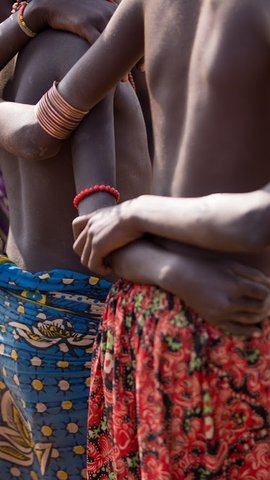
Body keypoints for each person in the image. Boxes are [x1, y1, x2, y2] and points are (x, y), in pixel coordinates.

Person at [2, 0, 270, 478]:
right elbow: (49, 149)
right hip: (202, 320)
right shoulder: (76, 42)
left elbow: (45, 140)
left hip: (124, 320)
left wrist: (28, 19)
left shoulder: (141, 12)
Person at [0, 1, 151, 478]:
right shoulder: (79, 48)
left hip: (30, 315)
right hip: (77, 323)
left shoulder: (34, 49)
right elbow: (96, 221)